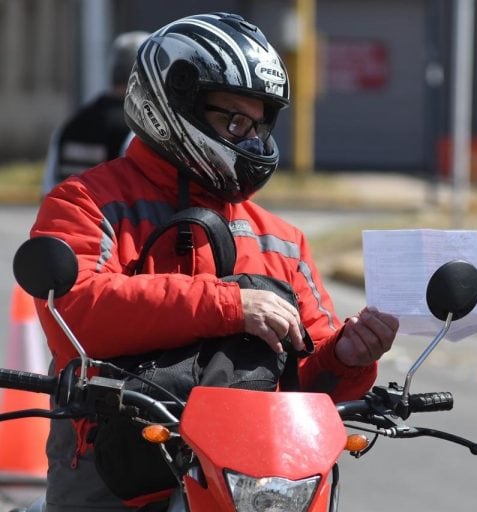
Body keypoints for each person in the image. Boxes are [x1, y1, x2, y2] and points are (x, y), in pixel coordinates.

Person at [30, 13, 398, 511]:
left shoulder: (282, 239)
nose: (249, 138)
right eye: (233, 120)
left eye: (258, 122)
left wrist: (349, 358)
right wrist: (230, 304)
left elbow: (306, 381)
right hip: (116, 467)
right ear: (174, 103)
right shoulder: (85, 201)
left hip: (252, 478)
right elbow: (77, 311)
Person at [40, 30, 149, 197]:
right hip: (107, 221)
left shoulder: (71, 124)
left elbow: (48, 188)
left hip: (63, 217)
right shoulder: (137, 128)